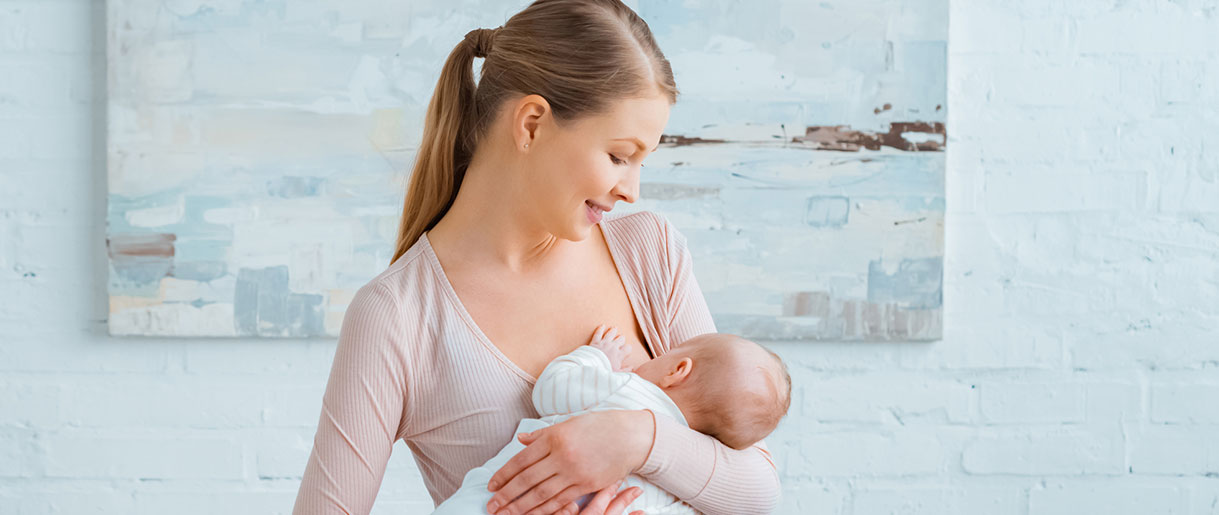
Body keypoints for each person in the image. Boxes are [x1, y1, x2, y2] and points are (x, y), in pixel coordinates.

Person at [292, 1, 783, 514]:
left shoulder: (649, 253)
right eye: (618, 156)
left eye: (642, 161)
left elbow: (756, 489)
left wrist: (634, 437)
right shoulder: (397, 316)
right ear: (530, 124)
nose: (632, 190)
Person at [431, 325, 792, 514]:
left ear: (678, 370)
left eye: (666, 354)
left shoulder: (624, 389)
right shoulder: (686, 480)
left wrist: (595, 358)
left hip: (504, 496)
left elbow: (552, 389)